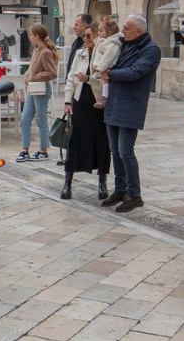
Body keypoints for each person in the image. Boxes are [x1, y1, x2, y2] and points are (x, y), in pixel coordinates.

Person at [100, 15, 161, 213]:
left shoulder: (151, 50)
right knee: (114, 150)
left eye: (126, 28)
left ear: (139, 32)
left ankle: (134, 195)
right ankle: (120, 189)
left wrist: (110, 74)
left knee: (125, 151)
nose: (122, 31)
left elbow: (135, 72)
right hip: (114, 102)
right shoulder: (123, 44)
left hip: (131, 105)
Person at [61, 24, 111, 200]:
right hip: (80, 101)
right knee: (74, 142)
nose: (86, 39)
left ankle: (102, 182)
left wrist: (89, 79)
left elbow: (105, 81)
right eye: (84, 36)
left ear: (98, 36)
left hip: (98, 103)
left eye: (89, 36)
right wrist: (68, 100)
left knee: (101, 142)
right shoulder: (79, 54)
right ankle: (67, 183)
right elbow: (70, 78)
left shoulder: (105, 54)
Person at [17, 23, 58, 162]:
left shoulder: (46, 52)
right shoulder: (36, 50)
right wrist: (28, 74)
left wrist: (35, 76)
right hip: (33, 89)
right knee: (25, 118)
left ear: (36, 36)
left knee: (41, 120)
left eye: (30, 34)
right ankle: (25, 149)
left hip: (41, 89)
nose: (29, 37)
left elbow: (52, 73)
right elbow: (32, 67)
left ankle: (43, 150)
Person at [90, 18, 121, 109]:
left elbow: (109, 56)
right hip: (101, 66)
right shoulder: (103, 40)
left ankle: (104, 97)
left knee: (105, 82)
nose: (98, 33)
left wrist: (101, 67)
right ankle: (103, 97)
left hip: (107, 67)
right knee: (103, 82)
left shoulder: (113, 43)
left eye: (101, 31)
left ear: (109, 32)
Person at [62, 13, 93, 84]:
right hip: (72, 83)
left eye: (77, 25)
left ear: (85, 26)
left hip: (83, 85)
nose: (74, 27)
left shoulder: (90, 44)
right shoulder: (76, 42)